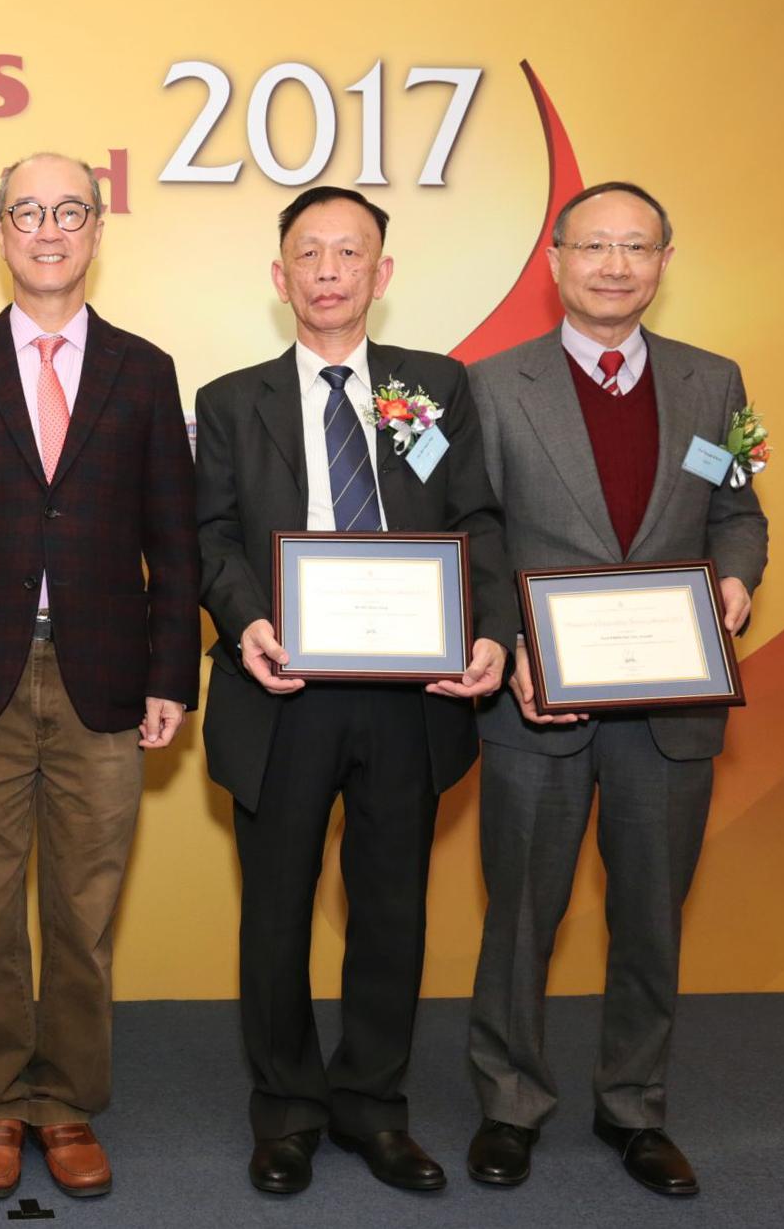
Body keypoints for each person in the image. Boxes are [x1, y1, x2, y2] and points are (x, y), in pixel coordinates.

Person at [0, 153, 199, 1201]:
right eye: (28, 212)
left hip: (104, 679)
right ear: (1, 229)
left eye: (69, 211)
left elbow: (173, 541)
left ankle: (65, 1100)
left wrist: (172, 674)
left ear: (96, 228)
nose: (47, 230)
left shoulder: (143, 370)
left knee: (82, 909)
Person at [194, 186, 512, 1195]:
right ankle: (285, 1107)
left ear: (381, 275)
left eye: (349, 253)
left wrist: (490, 634)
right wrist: (246, 619)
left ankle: (372, 1104)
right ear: (277, 276)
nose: (327, 270)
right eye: (308, 253)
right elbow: (207, 537)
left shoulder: (436, 388)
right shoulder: (226, 399)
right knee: (275, 912)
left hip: (409, 690)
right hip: (279, 686)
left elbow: (476, 521)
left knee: (390, 908)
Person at [463, 182, 767, 1196]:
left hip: (669, 706)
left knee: (649, 914)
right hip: (535, 701)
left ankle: (632, 1109)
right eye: (591, 245)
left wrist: (732, 573)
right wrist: (506, 648)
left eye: (634, 247)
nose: (612, 264)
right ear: (553, 261)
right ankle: (508, 1103)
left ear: (662, 262)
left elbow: (735, 511)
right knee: (521, 915)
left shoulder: (710, 381)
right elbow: (476, 532)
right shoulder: (490, 384)